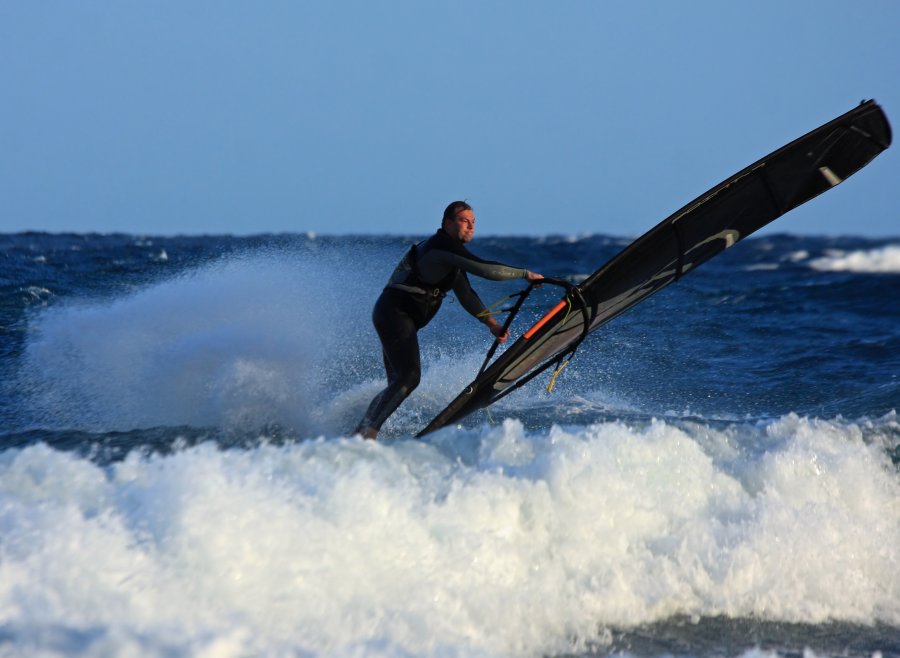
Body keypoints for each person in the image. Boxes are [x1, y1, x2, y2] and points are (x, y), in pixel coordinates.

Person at [354, 201, 544, 440]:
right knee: (409, 377)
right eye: (465, 221)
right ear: (447, 223)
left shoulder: (451, 258)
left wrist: (492, 324)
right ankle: (367, 434)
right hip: (394, 313)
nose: (471, 226)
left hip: (394, 314)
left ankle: (362, 429)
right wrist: (524, 274)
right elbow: (485, 269)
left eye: (474, 222)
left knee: (397, 382)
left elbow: (465, 294)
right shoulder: (440, 246)